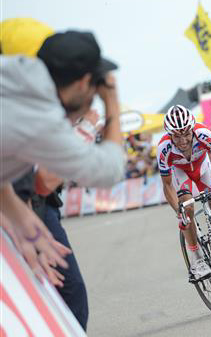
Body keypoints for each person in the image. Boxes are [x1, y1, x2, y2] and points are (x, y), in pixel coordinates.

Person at [1, 29, 125, 290]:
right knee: (72, 297)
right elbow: (109, 171)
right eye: (94, 88)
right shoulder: (41, 119)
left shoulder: (13, 73)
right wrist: (112, 101)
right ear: (83, 83)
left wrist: (15, 211)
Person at [157, 105, 211, 282]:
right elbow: (167, 186)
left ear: (192, 130)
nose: (182, 141)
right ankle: (197, 259)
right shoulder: (164, 147)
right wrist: (179, 212)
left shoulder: (204, 133)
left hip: (203, 168)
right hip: (180, 173)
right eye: (177, 136)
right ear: (169, 135)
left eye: (186, 135)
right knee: (187, 209)